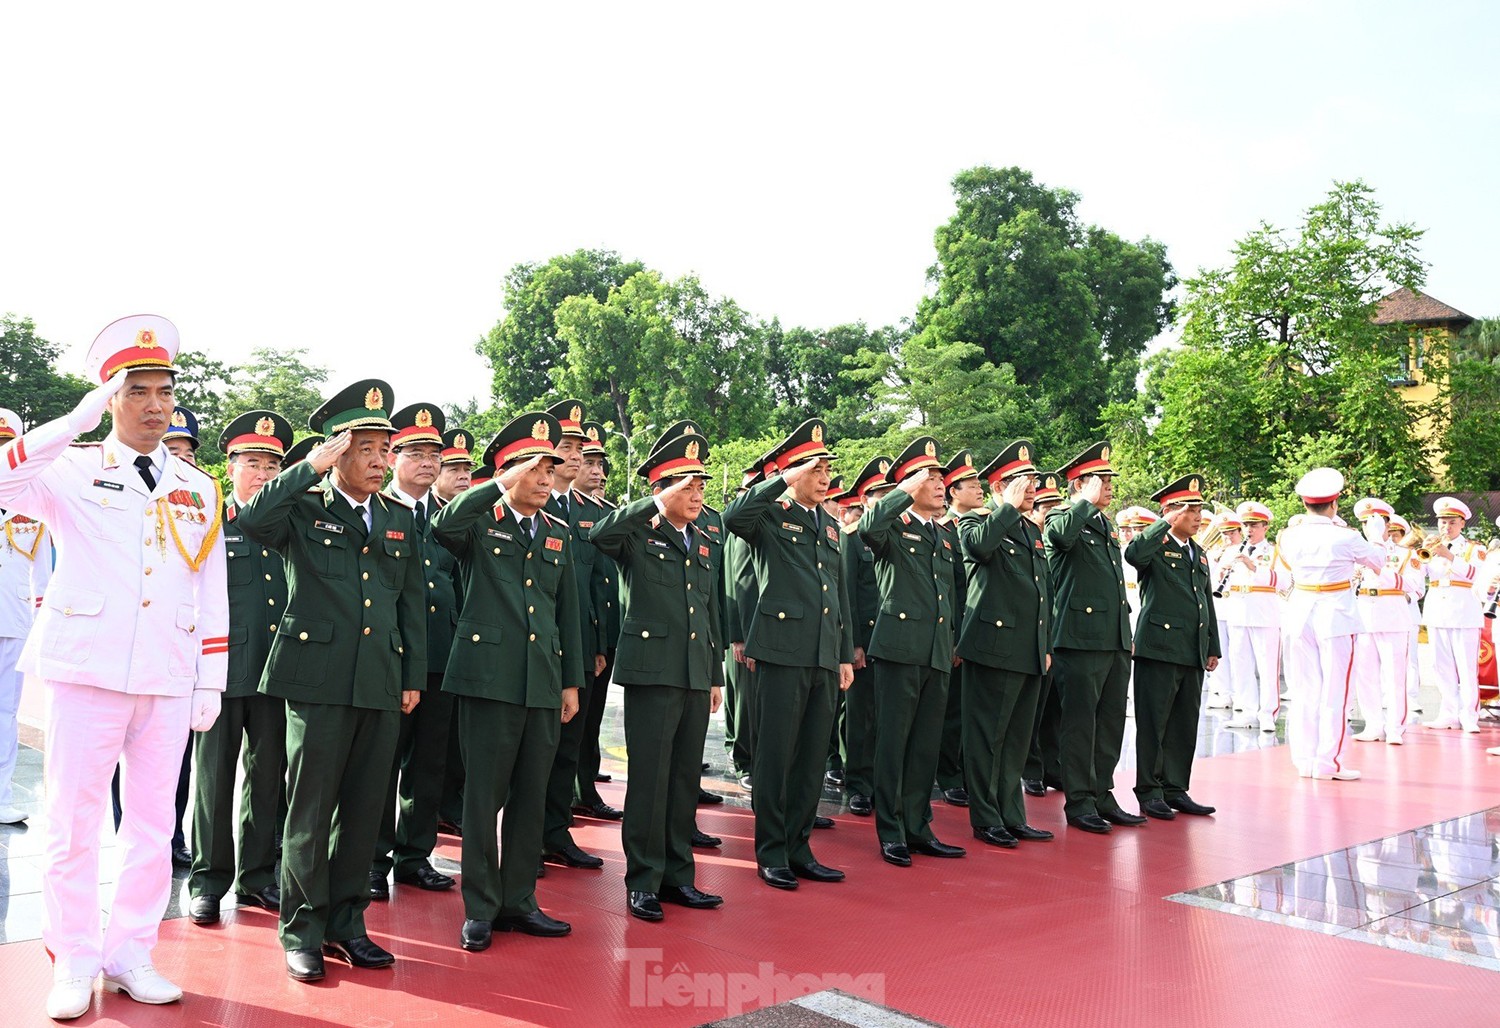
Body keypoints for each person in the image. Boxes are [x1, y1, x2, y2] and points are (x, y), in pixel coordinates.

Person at [0, 315, 227, 1019]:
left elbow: (208, 583)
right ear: (110, 397)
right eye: (137, 391)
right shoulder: (68, 468)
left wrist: (211, 676)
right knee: (72, 823)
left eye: (165, 390)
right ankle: (74, 958)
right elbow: (7, 486)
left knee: (154, 825)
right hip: (86, 671)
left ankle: (130, 951)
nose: (156, 404)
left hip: (165, 674)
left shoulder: (197, 484)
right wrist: (74, 419)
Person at [236, 379, 427, 982]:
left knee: (364, 811)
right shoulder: (303, 508)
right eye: (364, 448)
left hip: (379, 679)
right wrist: (305, 469)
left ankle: (349, 924)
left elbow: (410, 603)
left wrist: (412, 675)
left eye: (383, 449)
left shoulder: (398, 519)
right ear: (336, 452)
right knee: (311, 811)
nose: (378, 460)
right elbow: (253, 518)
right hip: (316, 681)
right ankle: (302, 930)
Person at [429, 412, 583, 953]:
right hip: (488, 680)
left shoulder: (559, 533)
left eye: (550, 470)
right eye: (536, 469)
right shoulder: (478, 523)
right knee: (483, 799)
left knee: (530, 797)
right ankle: (480, 906)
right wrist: (495, 482)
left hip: (541, 683)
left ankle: (520, 900)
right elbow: (440, 528)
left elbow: (568, 613)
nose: (547, 479)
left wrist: (570, 683)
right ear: (508, 471)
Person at [589, 432, 725, 921]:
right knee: (650, 779)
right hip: (652, 673)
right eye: (687, 488)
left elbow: (712, 612)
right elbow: (598, 535)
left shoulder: (706, 540)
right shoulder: (637, 534)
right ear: (663, 489)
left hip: (692, 673)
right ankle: (642, 880)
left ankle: (678, 877)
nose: (697, 496)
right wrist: (650, 502)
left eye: (700, 488)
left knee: (685, 779)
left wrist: (714, 675)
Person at [724, 419, 854, 891]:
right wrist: (781, 477)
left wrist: (842, 654)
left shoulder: (832, 525)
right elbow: (734, 518)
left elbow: (839, 597)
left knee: (811, 758)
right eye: (815, 469)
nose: (824, 478)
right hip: (781, 651)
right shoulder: (771, 515)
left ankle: (800, 847)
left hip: (822, 654)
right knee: (776, 756)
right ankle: (771, 851)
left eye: (825, 470)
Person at [187, 409, 294, 927]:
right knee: (212, 778)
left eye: (272, 465)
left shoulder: (290, 524)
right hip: (221, 671)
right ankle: (208, 881)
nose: (263, 474)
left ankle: (258, 878)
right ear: (230, 467)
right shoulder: (209, 522)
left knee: (267, 777)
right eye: (252, 463)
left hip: (277, 673)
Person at [859, 436, 965, 866]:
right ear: (909, 483)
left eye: (942, 478)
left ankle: (919, 826)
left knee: (924, 745)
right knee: (894, 743)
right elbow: (868, 528)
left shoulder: (942, 533)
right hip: (900, 649)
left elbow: (952, 592)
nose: (940, 485)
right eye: (931, 478)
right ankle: (891, 831)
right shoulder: (893, 527)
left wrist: (953, 639)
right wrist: (902, 490)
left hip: (936, 651)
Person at [368, 403, 459, 899]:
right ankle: (372, 859)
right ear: (394, 457)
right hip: (392, 656)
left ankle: (414, 855)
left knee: (429, 762)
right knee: (381, 763)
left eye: (434, 454)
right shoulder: (377, 511)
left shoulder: (448, 519)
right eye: (416, 453)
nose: (428, 462)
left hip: (440, 656)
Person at [956, 440, 1052, 848]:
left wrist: (1043, 643)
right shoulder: (975, 522)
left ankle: (1012, 814)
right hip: (993, 647)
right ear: (998, 489)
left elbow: (1041, 591)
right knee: (987, 738)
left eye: (1032, 480)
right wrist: (1007, 508)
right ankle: (986, 817)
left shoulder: (1031, 529)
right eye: (1020, 482)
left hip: (1028, 649)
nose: (1031, 488)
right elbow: (977, 548)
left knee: (1016, 739)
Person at [1044, 442, 1140, 834]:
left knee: (1111, 721)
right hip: (1079, 639)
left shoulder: (1104, 524)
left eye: (1109, 480)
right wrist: (1084, 501)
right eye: (1101, 480)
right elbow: (1061, 540)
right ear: (1079, 484)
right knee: (1080, 723)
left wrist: (1124, 632)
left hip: (1112, 637)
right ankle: (1080, 800)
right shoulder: (1061, 517)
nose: (1109, 487)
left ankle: (1102, 792)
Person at [539, 400, 612, 873]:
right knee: (534, 752)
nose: (573, 455)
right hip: (535, 645)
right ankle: (526, 836)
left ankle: (555, 832)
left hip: (580, 645)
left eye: (578, 448)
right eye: (563, 447)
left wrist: (600, 644)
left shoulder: (589, 511)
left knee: (569, 746)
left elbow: (598, 583)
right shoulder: (531, 503)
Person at [1275, 468, 1385, 780]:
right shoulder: (1346, 536)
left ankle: (1304, 759)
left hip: (1300, 612)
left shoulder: (1289, 535)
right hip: (1335, 615)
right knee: (1336, 692)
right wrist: (1376, 535)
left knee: (1305, 690)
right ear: (1334, 503)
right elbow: (1377, 561)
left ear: (1305, 504)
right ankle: (1328, 762)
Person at [1126, 475, 1219, 820]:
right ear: (1171, 512)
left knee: (1183, 722)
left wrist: (1212, 645)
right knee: (1155, 722)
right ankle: (1149, 790)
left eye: (1199, 510)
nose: (1198, 517)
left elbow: (1205, 602)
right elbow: (1134, 555)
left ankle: (1175, 787)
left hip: (1191, 648)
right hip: (1159, 647)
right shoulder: (1155, 544)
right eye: (1191, 510)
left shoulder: (1200, 552)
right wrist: (1161, 523)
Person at [0, 408, 52, 827]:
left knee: (5, 712)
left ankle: (0, 795)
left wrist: (44, 622)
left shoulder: (32, 502)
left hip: (13, 619)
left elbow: (45, 573)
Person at [839, 456, 892, 819]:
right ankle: (858, 783)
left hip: (893, 640)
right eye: (879, 493)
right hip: (865, 640)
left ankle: (880, 783)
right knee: (862, 717)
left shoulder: (897, 535)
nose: (886, 499)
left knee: (887, 717)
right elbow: (847, 595)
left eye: (892, 492)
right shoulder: (853, 539)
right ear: (865, 500)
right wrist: (853, 642)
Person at [574, 420, 622, 816]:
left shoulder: (606, 512)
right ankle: (579, 790)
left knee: (593, 718)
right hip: (581, 632)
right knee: (576, 722)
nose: (596, 471)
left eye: (600, 464)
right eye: (589, 462)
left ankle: (585, 784)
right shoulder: (564, 509)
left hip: (604, 630)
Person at [1349, 498, 1423, 745]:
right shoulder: (1354, 552)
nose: (1369, 527)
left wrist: (1382, 571)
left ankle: (1395, 727)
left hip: (1392, 616)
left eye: (1375, 521)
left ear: (1386, 524)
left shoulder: (1405, 554)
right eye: (1365, 522)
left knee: (1394, 675)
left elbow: (1415, 587)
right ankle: (1373, 724)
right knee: (1365, 674)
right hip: (1363, 615)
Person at [935, 449, 983, 807]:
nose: (980, 489)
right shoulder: (946, 529)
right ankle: (949, 774)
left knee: (970, 710)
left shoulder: (981, 525)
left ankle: (965, 771)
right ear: (953, 491)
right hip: (951, 632)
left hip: (977, 631)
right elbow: (951, 589)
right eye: (972, 484)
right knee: (951, 711)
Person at [1420, 497, 1487, 734]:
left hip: (1464, 611)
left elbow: (1475, 575)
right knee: (1441, 665)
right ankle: (1447, 713)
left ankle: (1469, 716)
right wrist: (1422, 553)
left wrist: (1447, 555)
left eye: (1450, 523)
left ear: (1462, 524)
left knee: (1466, 667)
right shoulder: (1432, 546)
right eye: (1441, 522)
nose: (1445, 527)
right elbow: (1419, 576)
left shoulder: (1474, 548)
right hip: (1438, 609)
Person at [1022, 470, 1065, 798]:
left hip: (1054, 634)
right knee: (1032, 710)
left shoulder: (1054, 540)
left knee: (1053, 709)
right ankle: (1032, 769)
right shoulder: (1026, 538)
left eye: (1055, 505)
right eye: (1045, 505)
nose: (1050, 511)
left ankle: (1051, 765)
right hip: (1029, 637)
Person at [1223, 501, 1283, 733]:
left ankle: (1267, 714)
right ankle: (1247, 711)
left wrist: (1254, 568)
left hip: (1264, 614)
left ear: (1265, 526)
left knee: (1267, 666)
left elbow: (1286, 582)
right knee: (1241, 664)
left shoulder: (1276, 552)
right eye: (1246, 525)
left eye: (1254, 525)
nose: (1249, 529)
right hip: (1237, 612)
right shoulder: (1232, 551)